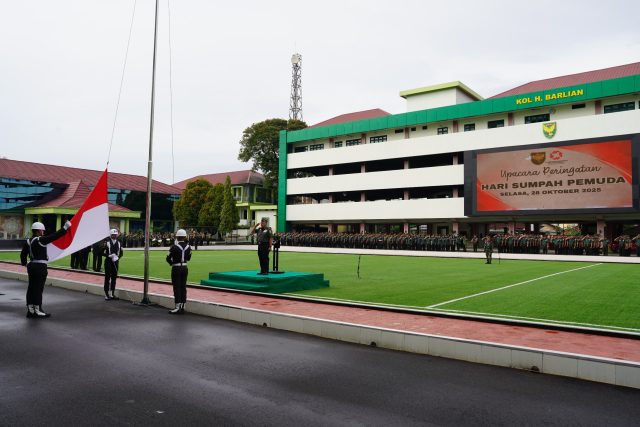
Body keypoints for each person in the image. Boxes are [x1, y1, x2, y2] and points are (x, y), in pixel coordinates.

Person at [20, 220, 72, 318]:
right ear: (38, 231)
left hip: (31, 266)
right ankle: (38, 309)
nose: (43, 232)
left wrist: (25, 263)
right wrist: (65, 228)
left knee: (31, 288)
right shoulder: (40, 240)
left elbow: (23, 254)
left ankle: (30, 310)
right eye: (42, 230)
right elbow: (54, 236)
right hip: (40, 267)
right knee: (38, 288)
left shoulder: (28, 241)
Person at [166, 229, 192, 314]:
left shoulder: (173, 247)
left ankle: (177, 306)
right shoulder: (189, 247)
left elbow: (168, 258)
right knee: (183, 286)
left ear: (177, 237)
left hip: (176, 268)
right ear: (185, 237)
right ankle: (183, 305)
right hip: (185, 267)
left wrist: (172, 263)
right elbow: (189, 258)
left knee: (176, 287)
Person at [102, 229, 123, 300]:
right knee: (107, 277)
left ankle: (112, 293)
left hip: (115, 262)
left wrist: (117, 257)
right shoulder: (107, 242)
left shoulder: (119, 243)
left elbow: (121, 253)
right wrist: (108, 255)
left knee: (114, 277)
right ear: (110, 235)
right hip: (108, 262)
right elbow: (101, 252)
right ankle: (106, 294)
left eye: (115, 235)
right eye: (113, 235)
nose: (114, 236)